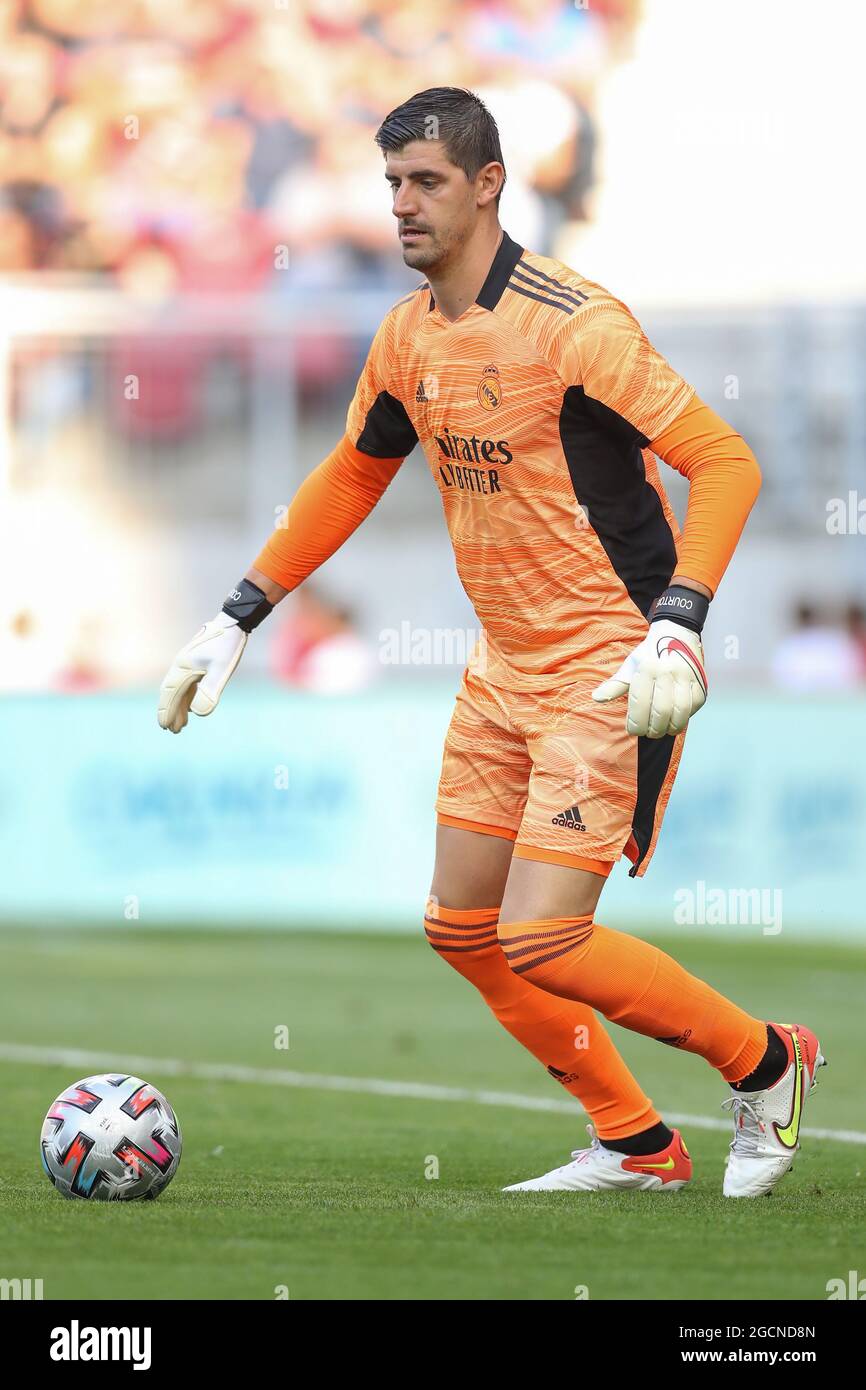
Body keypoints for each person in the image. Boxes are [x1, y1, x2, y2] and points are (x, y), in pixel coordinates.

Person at [158, 87, 825, 1199]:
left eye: (423, 182)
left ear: (487, 185)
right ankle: (634, 1141)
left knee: (541, 938)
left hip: (611, 663)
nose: (401, 205)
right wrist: (240, 608)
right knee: (461, 926)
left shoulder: (574, 324)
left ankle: (765, 1060)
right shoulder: (406, 334)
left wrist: (679, 622)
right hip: (501, 668)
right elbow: (354, 470)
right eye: (389, 185)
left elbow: (726, 460)